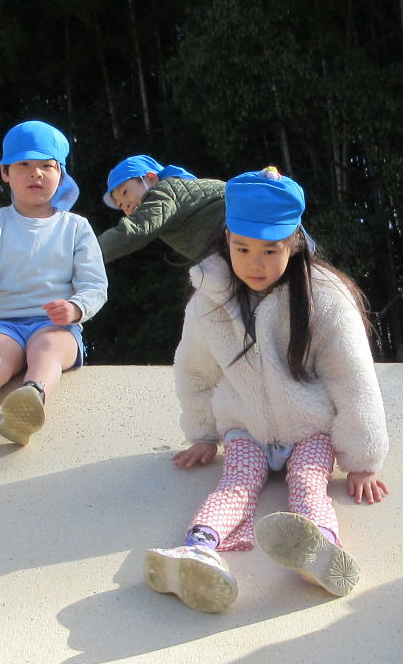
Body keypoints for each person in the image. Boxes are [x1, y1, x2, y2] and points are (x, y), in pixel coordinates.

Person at [145, 168, 389, 615]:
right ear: (226, 239)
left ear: (293, 243)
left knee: (309, 483)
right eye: (242, 248)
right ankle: (198, 549)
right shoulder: (210, 299)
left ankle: (321, 549)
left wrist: (361, 460)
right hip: (245, 426)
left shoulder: (324, 297)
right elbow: (195, 369)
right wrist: (203, 433)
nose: (254, 263)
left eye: (270, 250)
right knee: (234, 485)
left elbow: (351, 377)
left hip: (309, 428)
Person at [0, 120, 108, 454]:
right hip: (3, 324)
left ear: (61, 174)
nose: (36, 173)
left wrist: (75, 308)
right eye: (24, 164)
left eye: (47, 166)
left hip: (57, 326)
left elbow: (94, 285)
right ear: (5, 172)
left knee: (47, 349)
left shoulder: (76, 227)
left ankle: (30, 400)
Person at [97, 155, 227, 264]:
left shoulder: (164, 191)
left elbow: (134, 230)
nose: (125, 205)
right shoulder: (167, 207)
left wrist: (90, 252)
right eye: (120, 205)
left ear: (151, 179)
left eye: (125, 192)